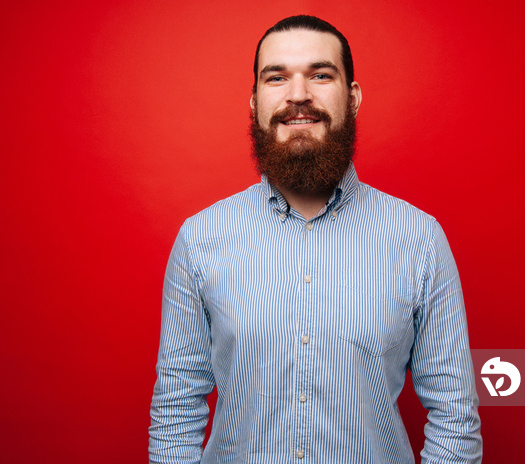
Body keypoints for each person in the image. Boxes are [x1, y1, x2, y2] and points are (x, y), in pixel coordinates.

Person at [149, 15, 482, 464]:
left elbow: (455, 415)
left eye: (320, 75)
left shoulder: (419, 240)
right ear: (254, 101)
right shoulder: (201, 238)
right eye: (277, 77)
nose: (298, 95)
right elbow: (176, 409)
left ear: (353, 97)